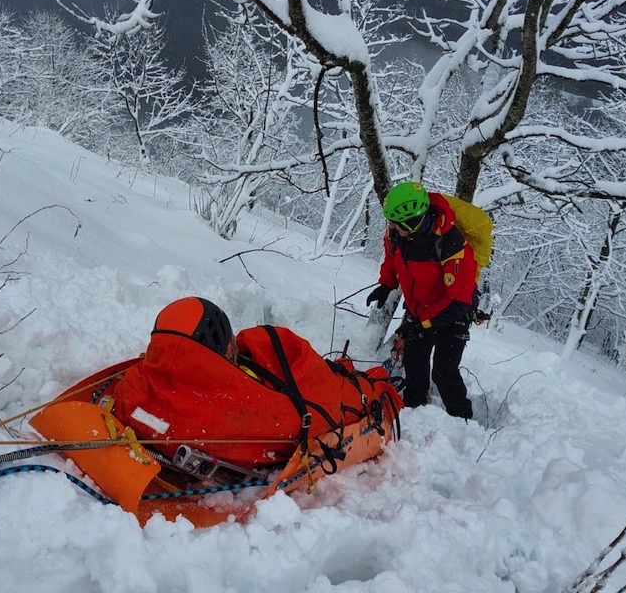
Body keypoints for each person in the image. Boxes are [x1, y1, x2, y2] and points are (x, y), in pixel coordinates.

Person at [114, 296, 401, 467]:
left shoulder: (134, 389)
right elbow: (324, 405)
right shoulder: (243, 409)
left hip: (279, 372)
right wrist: (379, 395)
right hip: (322, 390)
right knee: (346, 384)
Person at [366, 181, 477, 419]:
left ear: (413, 222)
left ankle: (463, 422)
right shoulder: (396, 234)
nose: (391, 226)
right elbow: (392, 260)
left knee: (443, 372)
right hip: (420, 310)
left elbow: (459, 301)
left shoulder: (452, 246)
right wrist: (386, 284)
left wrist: (425, 323)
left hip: (453, 313)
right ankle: (413, 413)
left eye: (396, 222)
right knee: (415, 364)